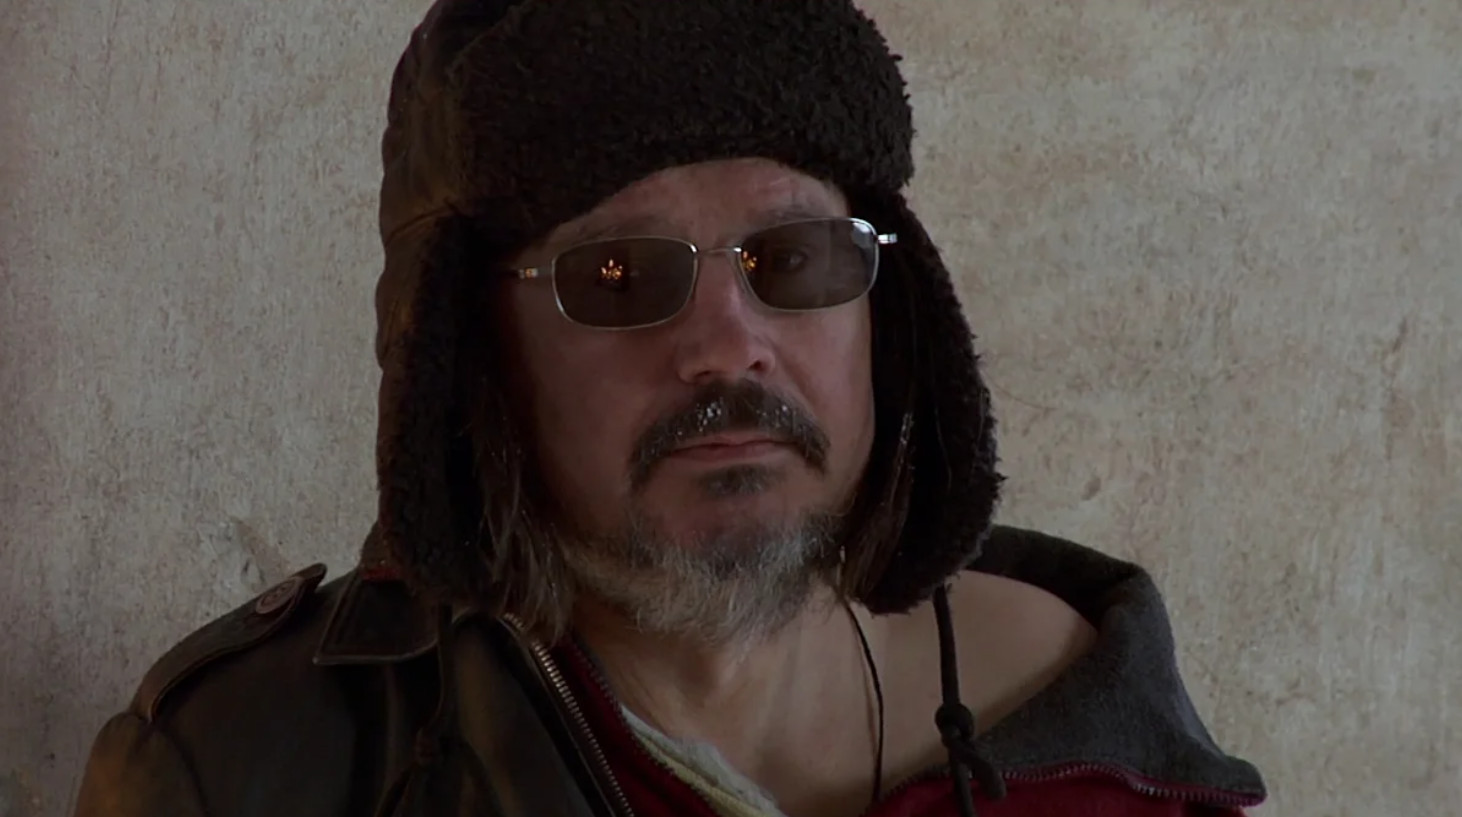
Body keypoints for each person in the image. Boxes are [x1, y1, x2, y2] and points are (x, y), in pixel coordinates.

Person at [72, 1, 1268, 815]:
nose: (726, 346)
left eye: (791, 260)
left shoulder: (1098, 741)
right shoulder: (249, 768)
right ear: (474, 356)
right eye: (617, 276)